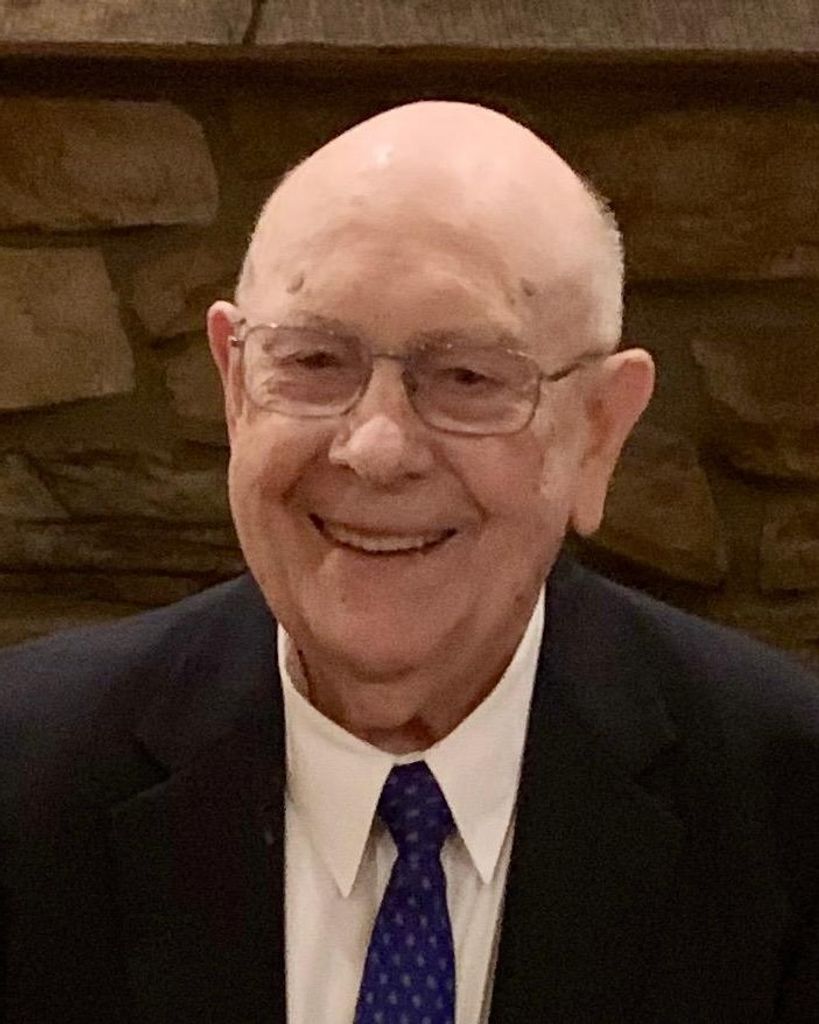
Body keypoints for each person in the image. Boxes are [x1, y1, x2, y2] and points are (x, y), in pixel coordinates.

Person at [2, 101, 818, 1024]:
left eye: (468, 377)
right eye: (314, 360)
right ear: (234, 387)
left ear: (598, 431)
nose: (376, 448)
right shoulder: (24, 779)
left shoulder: (785, 815)